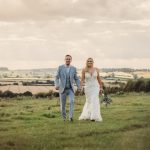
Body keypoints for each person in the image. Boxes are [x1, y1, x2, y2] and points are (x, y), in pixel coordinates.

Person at [55, 55, 80, 122]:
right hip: (62, 89)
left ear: (71, 60)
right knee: (63, 105)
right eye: (67, 59)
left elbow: (76, 78)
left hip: (70, 89)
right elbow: (56, 77)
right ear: (64, 60)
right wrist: (56, 85)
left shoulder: (74, 68)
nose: (68, 60)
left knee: (72, 101)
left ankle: (71, 117)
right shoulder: (60, 67)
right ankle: (64, 118)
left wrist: (79, 86)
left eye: (69, 59)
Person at [79, 57, 103, 122]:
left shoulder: (96, 69)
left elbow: (99, 79)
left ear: (93, 62)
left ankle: (94, 117)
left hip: (95, 87)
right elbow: (82, 80)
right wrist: (80, 87)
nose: (90, 62)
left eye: (91, 61)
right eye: (88, 61)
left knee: (94, 100)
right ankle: (87, 115)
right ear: (87, 62)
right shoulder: (84, 70)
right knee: (89, 101)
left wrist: (101, 88)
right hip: (88, 88)